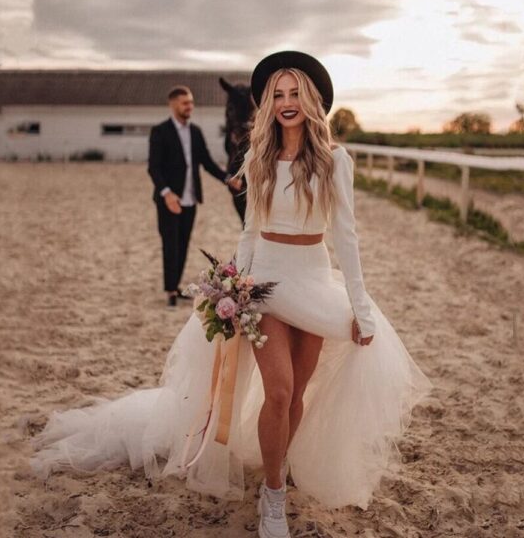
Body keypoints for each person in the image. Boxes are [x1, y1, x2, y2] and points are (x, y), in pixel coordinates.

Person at [30, 52, 433, 538]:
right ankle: (273, 497)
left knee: (296, 395)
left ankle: (279, 464)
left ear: (311, 101)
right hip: (264, 283)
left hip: (314, 280)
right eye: (277, 95)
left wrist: (361, 307)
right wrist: (237, 284)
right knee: (279, 389)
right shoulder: (258, 157)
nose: (285, 103)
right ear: (267, 103)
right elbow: (249, 231)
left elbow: (346, 239)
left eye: (294, 94)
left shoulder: (334, 161)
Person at [147, 85, 242, 307]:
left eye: (191, 102)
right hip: (169, 200)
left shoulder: (195, 132)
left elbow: (207, 163)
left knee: (182, 243)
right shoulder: (160, 132)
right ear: (173, 105)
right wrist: (167, 193)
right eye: (184, 103)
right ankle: (170, 289)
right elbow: (153, 168)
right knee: (170, 244)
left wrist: (228, 178)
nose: (189, 106)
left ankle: (175, 285)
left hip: (191, 199)